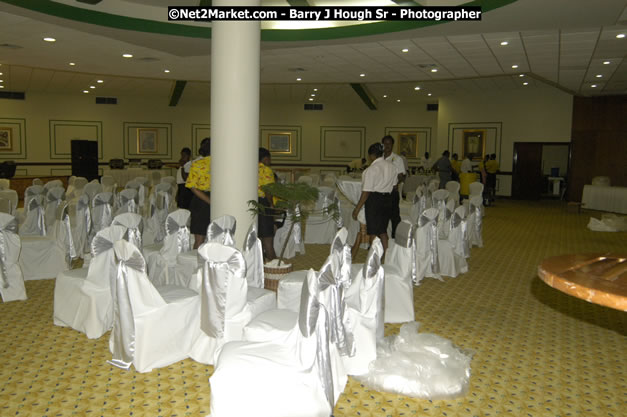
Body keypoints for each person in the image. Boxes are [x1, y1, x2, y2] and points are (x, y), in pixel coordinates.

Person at [352, 143, 397, 255]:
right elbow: (394, 185)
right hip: (388, 199)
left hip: (374, 200)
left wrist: (357, 209)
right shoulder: (392, 166)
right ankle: (386, 257)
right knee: (383, 230)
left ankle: (373, 257)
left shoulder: (371, 170)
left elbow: (366, 192)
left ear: (371, 156)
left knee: (373, 232)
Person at [185, 137, 211, 249]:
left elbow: (192, 187)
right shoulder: (225, 164)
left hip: (200, 200)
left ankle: (196, 265)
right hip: (212, 199)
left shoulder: (197, 164)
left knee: (199, 240)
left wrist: (209, 201)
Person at [381, 135, 406, 239]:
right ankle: (380, 240)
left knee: (394, 217)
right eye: (385, 144)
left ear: (392, 145)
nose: (387, 146)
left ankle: (395, 239)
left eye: (389, 144)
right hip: (380, 191)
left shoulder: (397, 159)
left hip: (392, 192)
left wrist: (396, 182)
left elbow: (402, 175)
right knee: (381, 217)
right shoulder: (379, 158)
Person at [258, 147, 277, 262]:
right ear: (265, 159)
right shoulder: (266, 170)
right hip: (264, 203)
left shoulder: (247, 167)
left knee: (257, 240)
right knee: (268, 239)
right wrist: (271, 205)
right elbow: (268, 190)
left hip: (251, 204)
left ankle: (259, 270)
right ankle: (274, 267)